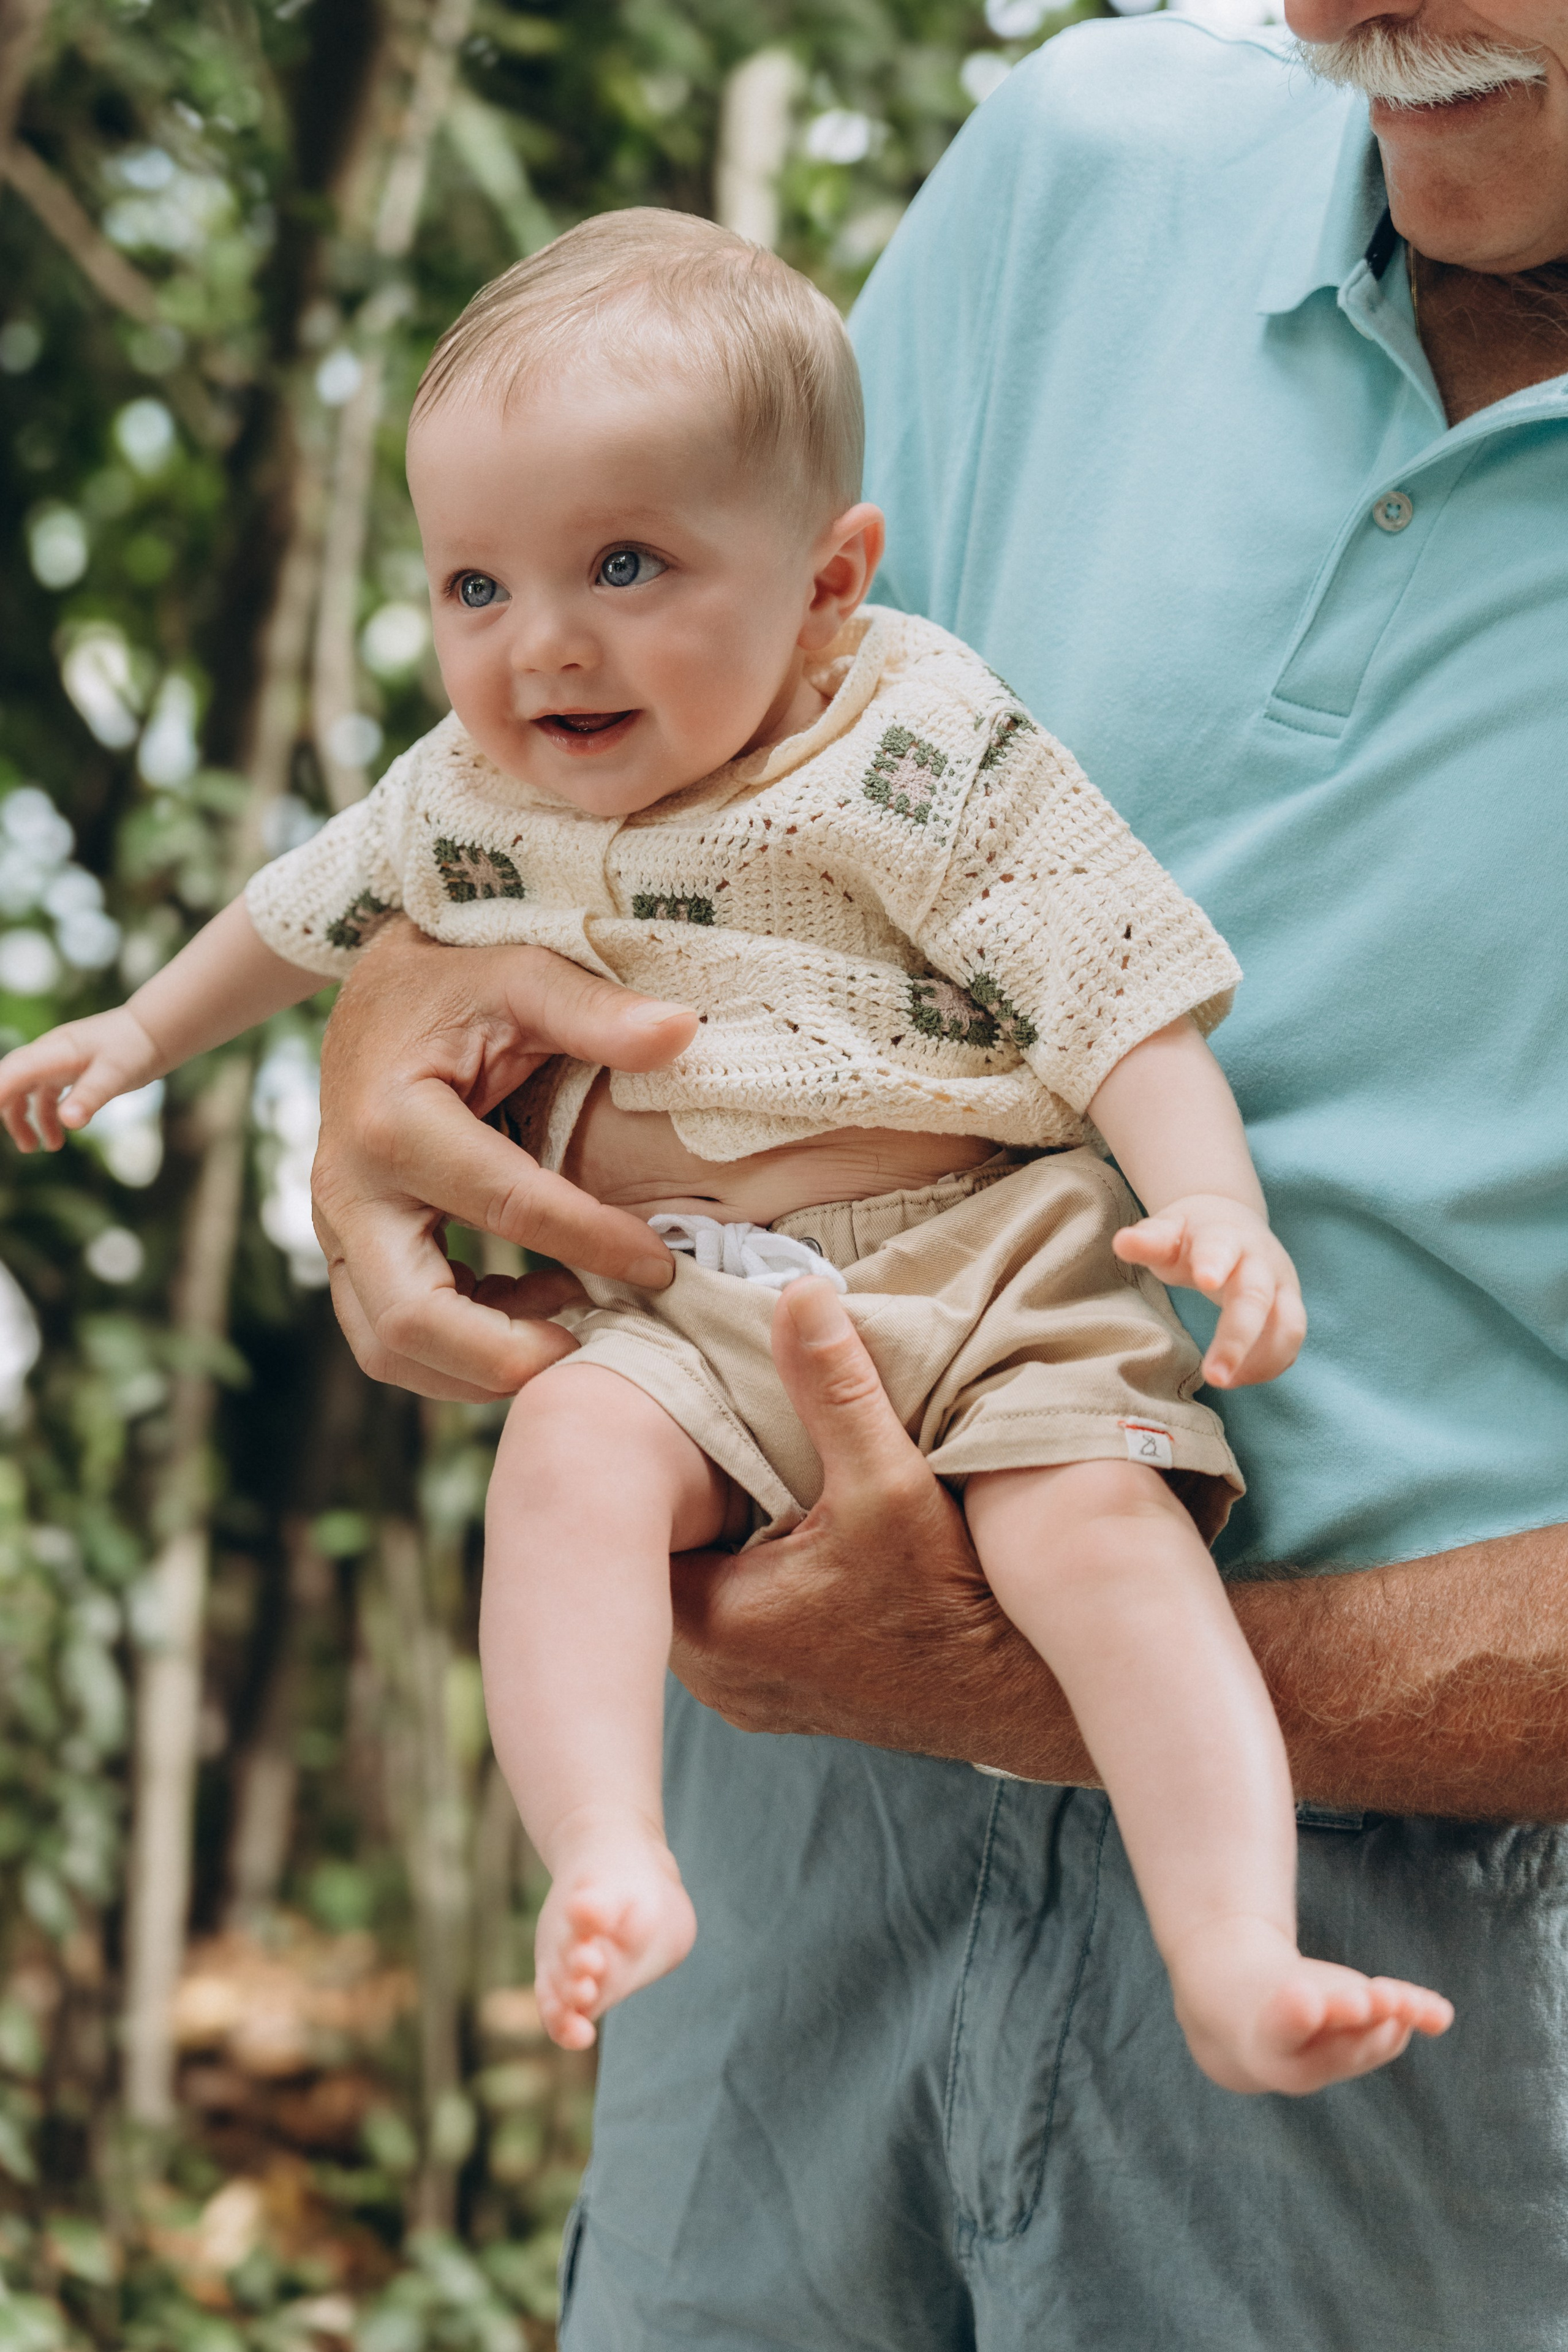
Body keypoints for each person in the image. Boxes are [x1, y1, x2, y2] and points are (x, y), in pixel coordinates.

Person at [293, 7, 1568, 2344]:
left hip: (1448, 1970)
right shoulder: (1081, 161)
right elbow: (660, 758)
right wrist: (401, 1001)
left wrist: (1059, 1675)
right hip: (785, 1859)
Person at [0, 209, 1452, 2096]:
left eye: (625, 564)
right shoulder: (472, 791)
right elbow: (310, 909)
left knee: (1099, 1538)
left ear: (830, 577)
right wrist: (138, 1027)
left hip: (990, 1247)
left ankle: (1236, 1948)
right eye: (476, 588)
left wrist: (1215, 1208)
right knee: (568, 1448)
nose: (546, 647)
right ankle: (607, 1850)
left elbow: (1117, 981)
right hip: (693, 1288)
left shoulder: (913, 740)